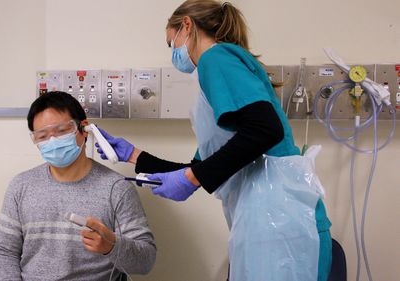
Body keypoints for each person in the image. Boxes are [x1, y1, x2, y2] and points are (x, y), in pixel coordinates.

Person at [95, 1, 332, 281]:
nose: (174, 53)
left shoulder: (215, 58)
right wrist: (134, 155)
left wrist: (193, 178)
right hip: (275, 219)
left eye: (171, 43)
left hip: (280, 224)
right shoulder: (225, 71)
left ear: (186, 25)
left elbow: (265, 130)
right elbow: (205, 166)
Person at [0, 91, 156, 281]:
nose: (53, 142)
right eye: (42, 136)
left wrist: (112, 246)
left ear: (83, 129)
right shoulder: (21, 186)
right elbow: (3, 252)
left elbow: (146, 261)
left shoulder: (116, 189)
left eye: (61, 131)